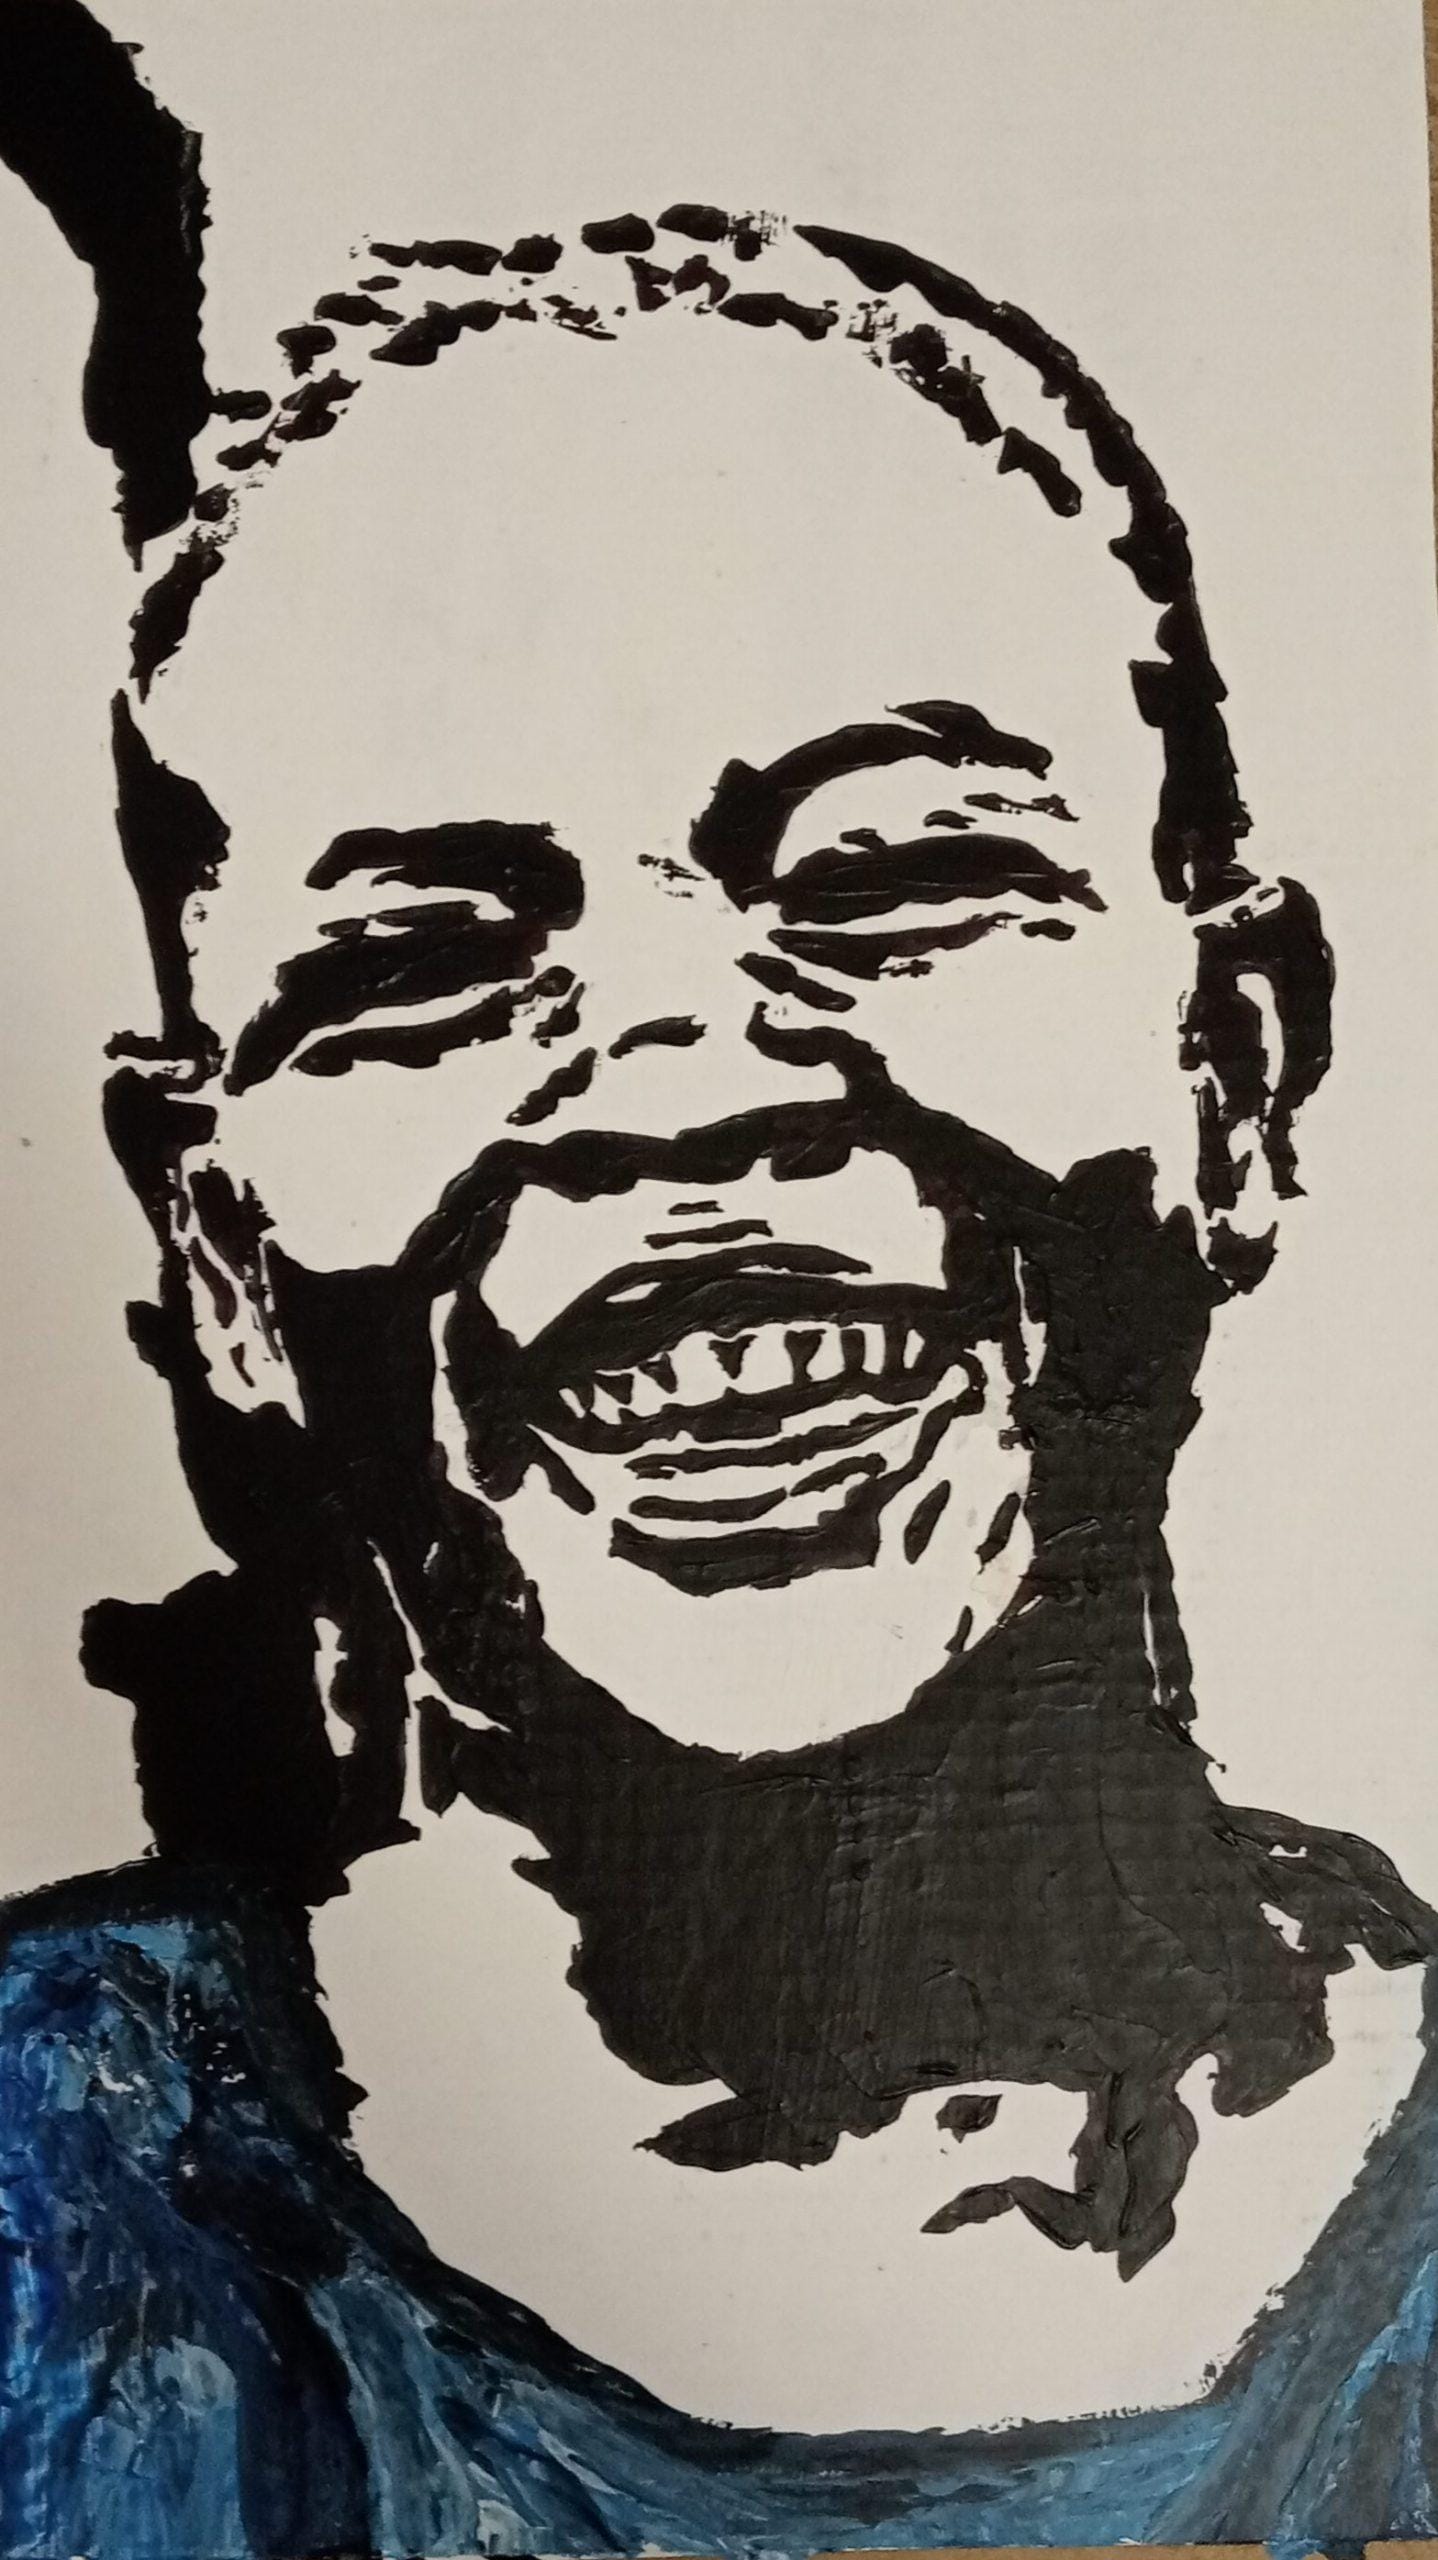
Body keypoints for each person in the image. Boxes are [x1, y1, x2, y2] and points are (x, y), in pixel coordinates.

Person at [4, 154, 1438, 2560]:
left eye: (894, 878)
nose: (678, 1082)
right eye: (417, 968)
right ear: (221, 1250)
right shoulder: (61, 2215)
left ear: (1237, 1071)